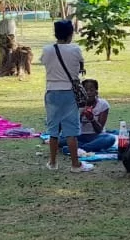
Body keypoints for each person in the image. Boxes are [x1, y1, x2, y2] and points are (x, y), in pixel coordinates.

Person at [39, 20, 94, 173]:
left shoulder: (47, 49)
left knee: (53, 129)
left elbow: (44, 62)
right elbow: (79, 66)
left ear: (56, 34)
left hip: (52, 91)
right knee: (71, 129)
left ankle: (52, 162)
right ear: (71, 34)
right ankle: (75, 164)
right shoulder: (75, 49)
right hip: (70, 92)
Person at [60, 79, 117, 156]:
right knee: (61, 140)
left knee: (110, 139)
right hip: (78, 136)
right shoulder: (75, 104)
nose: (88, 93)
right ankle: (86, 147)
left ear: (96, 92)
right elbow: (71, 128)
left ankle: (78, 148)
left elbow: (99, 130)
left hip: (95, 136)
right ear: (81, 93)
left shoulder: (103, 105)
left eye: (91, 90)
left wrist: (92, 119)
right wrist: (79, 115)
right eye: (85, 90)